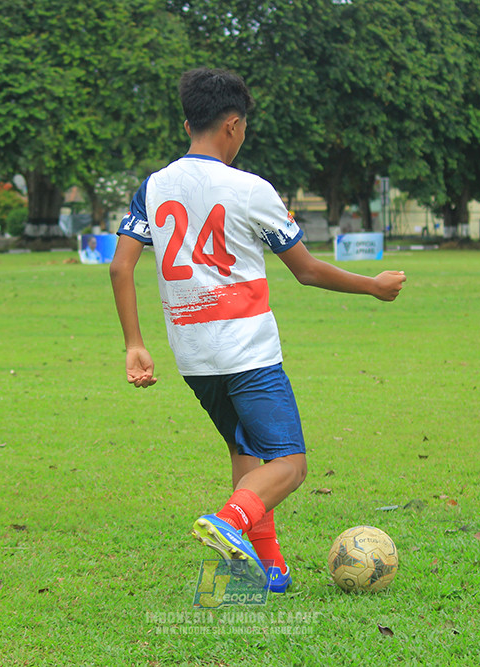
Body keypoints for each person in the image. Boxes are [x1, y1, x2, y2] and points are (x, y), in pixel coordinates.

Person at [109, 67, 406, 592]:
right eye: (243, 128)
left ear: (187, 125)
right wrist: (374, 287)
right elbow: (308, 271)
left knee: (247, 458)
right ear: (232, 125)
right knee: (289, 466)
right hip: (247, 352)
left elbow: (120, 266)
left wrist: (135, 343)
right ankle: (229, 522)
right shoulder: (250, 189)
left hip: (194, 358)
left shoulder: (153, 187)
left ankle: (267, 569)